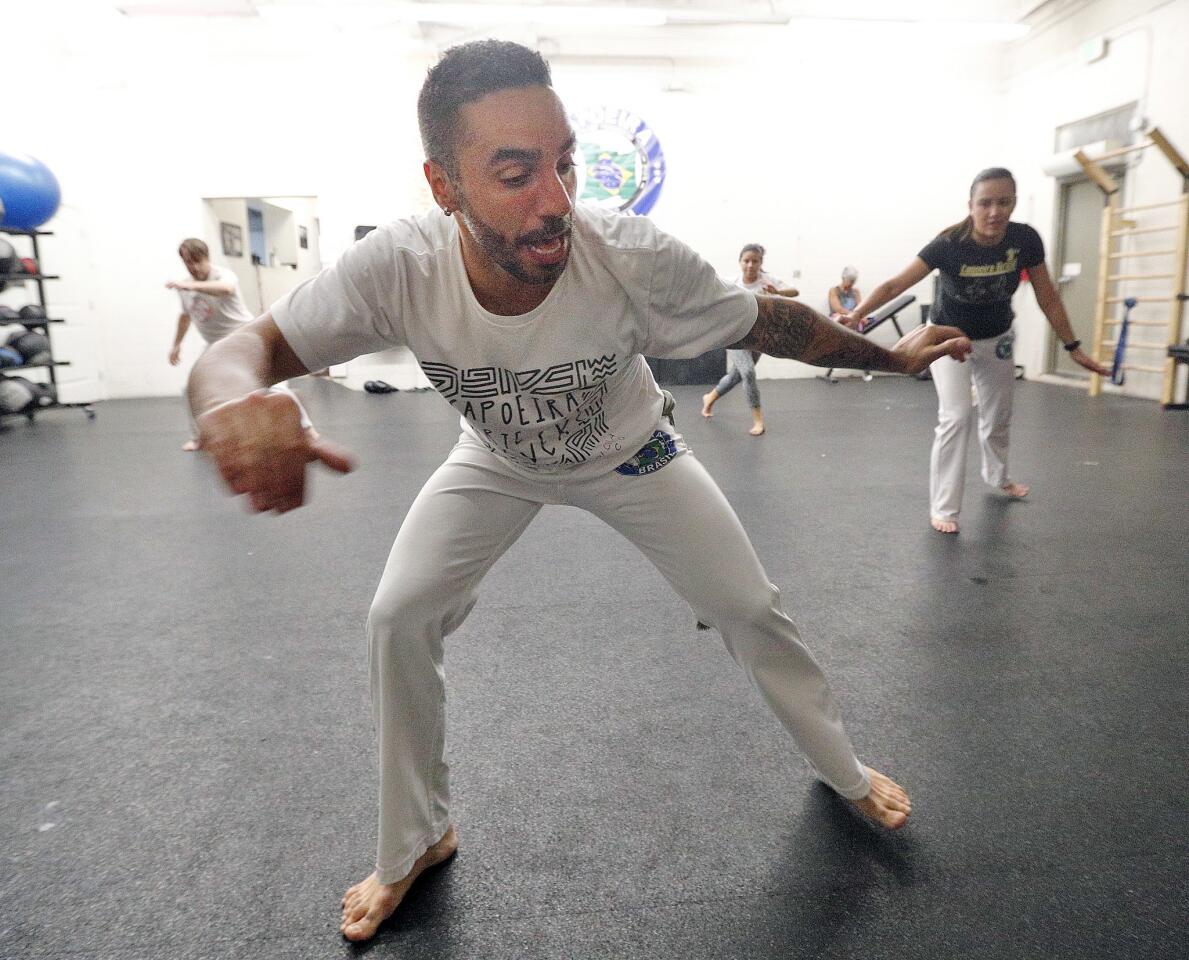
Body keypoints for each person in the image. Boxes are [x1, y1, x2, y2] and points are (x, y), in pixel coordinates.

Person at [187, 40, 972, 943]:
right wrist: (233, 402)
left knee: (748, 606)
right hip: (494, 461)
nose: (555, 199)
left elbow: (778, 324)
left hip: (632, 454)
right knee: (395, 617)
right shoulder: (398, 266)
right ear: (444, 187)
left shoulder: (630, 256)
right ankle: (414, 839)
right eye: (515, 173)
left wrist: (893, 357)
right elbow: (239, 351)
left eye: (564, 163)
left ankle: (842, 770)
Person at [842, 167, 1109, 534]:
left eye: (1004, 202)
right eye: (985, 203)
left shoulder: (1025, 240)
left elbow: (1046, 293)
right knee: (956, 416)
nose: (995, 212)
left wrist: (1072, 345)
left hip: (996, 337)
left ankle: (997, 476)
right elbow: (894, 284)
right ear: (971, 206)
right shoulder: (949, 243)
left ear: (1013, 203)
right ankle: (944, 509)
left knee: (999, 416)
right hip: (947, 340)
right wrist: (858, 314)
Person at [166, 238, 312, 450]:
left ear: (207, 258)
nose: (194, 267)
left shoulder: (223, 275)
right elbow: (185, 316)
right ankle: (200, 438)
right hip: (214, 344)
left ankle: (307, 429)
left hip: (241, 336)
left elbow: (225, 289)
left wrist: (186, 285)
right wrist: (176, 344)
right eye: (188, 263)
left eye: (197, 261)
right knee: (191, 386)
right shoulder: (185, 285)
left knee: (271, 384)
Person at [700, 243, 799, 435]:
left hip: (759, 338)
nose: (750, 265)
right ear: (740, 262)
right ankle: (758, 420)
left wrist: (778, 292)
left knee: (736, 376)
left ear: (761, 263)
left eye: (755, 261)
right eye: (746, 260)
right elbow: (710, 295)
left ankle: (709, 398)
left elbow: (794, 292)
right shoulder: (732, 282)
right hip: (735, 337)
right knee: (749, 373)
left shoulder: (767, 281)